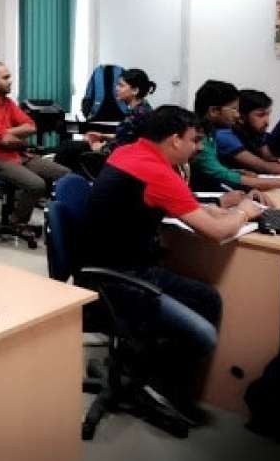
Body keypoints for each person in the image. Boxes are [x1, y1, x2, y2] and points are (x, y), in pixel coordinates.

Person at [82, 105, 265, 420]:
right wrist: (243, 213)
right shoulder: (157, 172)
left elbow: (173, 202)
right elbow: (217, 234)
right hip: (121, 277)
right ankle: (157, 383)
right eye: (193, 140)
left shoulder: (129, 152)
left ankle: (144, 367)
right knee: (204, 335)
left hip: (107, 265)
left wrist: (214, 208)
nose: (197, 148)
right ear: (174, 140)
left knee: (207, 298)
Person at [0, 62, 68, 232]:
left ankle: (63, 222)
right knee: (36, 185)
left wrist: (5, 133)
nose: (10, 81)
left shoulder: (8, 103)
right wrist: (11, 138)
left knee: (65, 175)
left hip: (18, 155)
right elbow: (6, 141)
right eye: (5, 77)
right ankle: (16, 222)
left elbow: (31, 126)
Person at [190, 80, 280, 192]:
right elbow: (222, 175)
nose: (237, 115)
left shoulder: (209, 133)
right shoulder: (205, 138)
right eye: (234, 109)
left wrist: (235, 172)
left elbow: (213, 171)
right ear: (214, 111)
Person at [215, 90, 280, 175]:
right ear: (241, 116)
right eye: (261, 115)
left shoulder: (257, 133)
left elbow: (268, 158)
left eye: (268, 114)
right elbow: (265, 167)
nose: (267, 122)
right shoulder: (225, 135)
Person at [88, 68, 156, 153]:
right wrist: (103, 136)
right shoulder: (143, 108)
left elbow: (115, 148)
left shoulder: (137, 115)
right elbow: (127, 137)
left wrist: (95, 145)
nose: (116, 88)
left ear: (135, 90)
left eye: (121, 85)